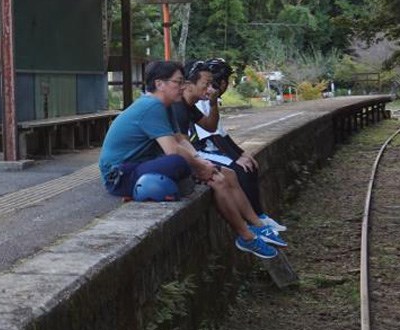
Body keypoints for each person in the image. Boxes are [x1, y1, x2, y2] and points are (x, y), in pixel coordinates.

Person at [99, 59, 280, 259]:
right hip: (120, 174)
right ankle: (247, 235)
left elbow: (181, 141)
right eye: (178, 82)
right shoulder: (152, 106)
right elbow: (172, 150)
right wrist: (198, 165)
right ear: (160, 84)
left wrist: (202, 162)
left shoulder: (165, 105)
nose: (183, 86)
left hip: (141, 165)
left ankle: (250, 233)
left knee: (222, 175)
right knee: (180, 163)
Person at [193, 57, 287, 234]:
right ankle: (254, 222)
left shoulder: (210, 101)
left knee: (249, 165)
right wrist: (236, 158)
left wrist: (242, 153)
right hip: (200, 149)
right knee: (239, 169)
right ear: (221, 83)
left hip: (209, 146)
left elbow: (221, 134)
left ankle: (260, 216)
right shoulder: (201, 101)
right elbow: (211, 138)